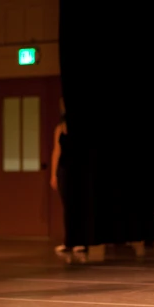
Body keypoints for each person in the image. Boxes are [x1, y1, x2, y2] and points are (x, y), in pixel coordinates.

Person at [50, 101, 86, 254]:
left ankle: (82, 241)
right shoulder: (59, 129)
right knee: (68, 206)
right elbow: (56, 151)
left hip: (78, 170)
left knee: (79, 205)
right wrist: (53, 174)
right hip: (64, 169)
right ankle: (69, 241)